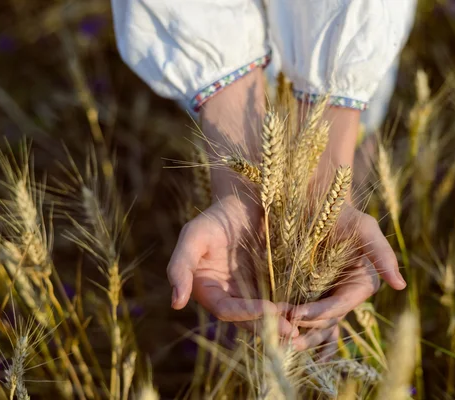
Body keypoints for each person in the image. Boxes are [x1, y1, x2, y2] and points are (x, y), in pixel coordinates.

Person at [112, 0, 416, 350]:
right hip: (257, 93)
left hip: (325, 82)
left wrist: (324, 179)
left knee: (362, 129)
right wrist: (241, 186)